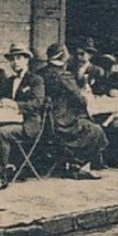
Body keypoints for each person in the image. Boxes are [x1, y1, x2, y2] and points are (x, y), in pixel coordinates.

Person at [36, 44, 107, 179]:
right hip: (61, 121)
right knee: (95, 129)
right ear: (63, 57)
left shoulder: (41, 73)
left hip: (45, 120)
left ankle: (73, 163)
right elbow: (80, 99)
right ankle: (80, 166)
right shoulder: (64, 75)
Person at [0, 44, 44, 189]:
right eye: (12, 59)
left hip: (29, 124)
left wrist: (15, 104)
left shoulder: (35, 80)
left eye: (19, 58)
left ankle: (0, 177)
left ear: (27, 60)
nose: (15, 62)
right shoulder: (10, 80)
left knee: (2, 132)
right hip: (11, 120)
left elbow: (37, 103)